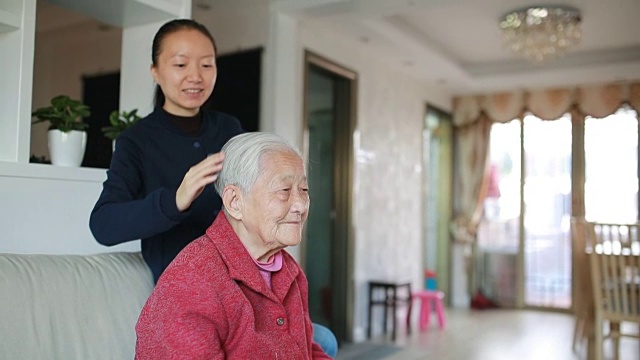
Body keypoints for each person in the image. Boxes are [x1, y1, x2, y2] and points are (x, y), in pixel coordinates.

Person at [88, 18, 337, 357]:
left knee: (317, 341)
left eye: (207, 64)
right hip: (197, 287)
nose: (196, 75)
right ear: (156, 72)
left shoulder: (228, 129)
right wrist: (176, 200)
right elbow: (104, 224)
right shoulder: (137, 142)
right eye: (180, 64)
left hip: (248, 281)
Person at [135, 132, 331, 359]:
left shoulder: (290, 271)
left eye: (304, 190)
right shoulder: (191, 282)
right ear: (234, 202)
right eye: (284, 191)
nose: (300, 205)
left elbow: (305, 350)